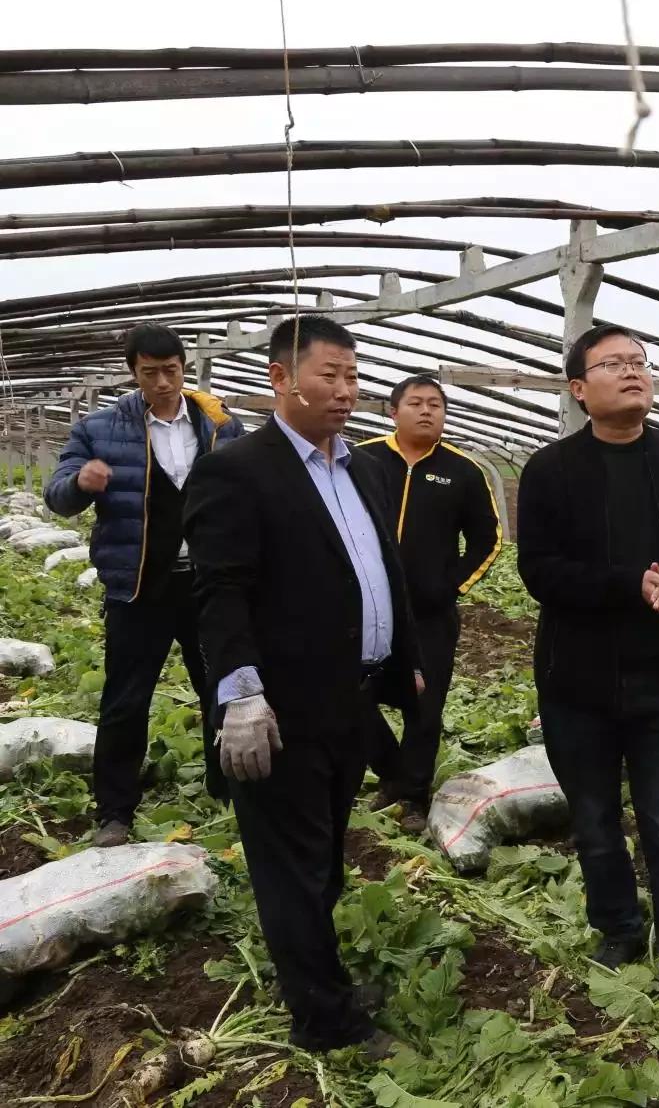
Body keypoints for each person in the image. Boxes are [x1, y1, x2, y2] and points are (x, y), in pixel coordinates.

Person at [183, 315, 423, 1056]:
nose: (346, 391)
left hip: (347, 702)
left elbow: (378, 573)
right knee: (291, 866)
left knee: (321, 859)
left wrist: (399, 657)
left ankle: (322, 980)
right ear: (280, 378)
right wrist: (240, 692)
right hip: (279, 709)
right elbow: (219, 591)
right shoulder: (239, 469)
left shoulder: (361, 468)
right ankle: (325, 1020)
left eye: (354, 376)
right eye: (330, 375)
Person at [516, 324, 659, 1021]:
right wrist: (631, 584)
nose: (632, 371)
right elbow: (540, 570)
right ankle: (617, 928)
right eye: (613, 363)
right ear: (580, 389)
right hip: (575, 683)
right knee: (593, 820)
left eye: (640, 360)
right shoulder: (551, 471)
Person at [45, 324, 245, 848]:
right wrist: (80, 483)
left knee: (223, 688)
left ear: (185, 368)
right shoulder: (102, 429)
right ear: (133, 374)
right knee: (125, 700)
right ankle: (115, 812)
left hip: (208, 584)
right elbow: (57, 494)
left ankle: (229, 790)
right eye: (150, 372)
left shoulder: (220, 425)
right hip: (139, 587)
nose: (162, 381)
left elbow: (252, 485)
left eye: (171, 370)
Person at [355, 376, 503, 832]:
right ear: (392, 411)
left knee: (424, 706)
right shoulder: (362, 459)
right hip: (366, 608)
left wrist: (452, 585)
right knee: (353, 696)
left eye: (435, 404)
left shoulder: (462, 471)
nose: (426, 411)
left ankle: (413, 797)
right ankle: (392, 774)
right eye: (415, 403)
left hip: (430, 614)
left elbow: (488, 539)